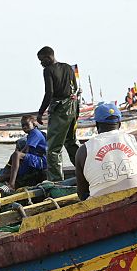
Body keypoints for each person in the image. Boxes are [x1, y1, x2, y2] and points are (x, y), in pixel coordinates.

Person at [76, 102, 137, 200]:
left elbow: (82, 193)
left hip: (99, 206)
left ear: (97, 125)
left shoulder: (83, 150)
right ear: (119, 123)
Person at [35, 46, 79, 182]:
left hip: (60, 110)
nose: (41, 63)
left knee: (54, 148)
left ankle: (56, 181)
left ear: (49, 57)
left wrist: (40, 112)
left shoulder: (48, 70)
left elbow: (49, 93)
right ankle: (85, 169)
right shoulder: (68, 67)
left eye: (42, 60)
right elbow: (75, 88)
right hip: (73, 108)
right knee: (71, 141)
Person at [2, 115, 48, 190]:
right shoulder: (30, 134)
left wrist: (15, 156)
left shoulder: (35, 133)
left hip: (41, 161)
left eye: (27, 124)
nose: (24, 127)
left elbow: (26, 150)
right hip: (34, 159)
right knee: (11, 173)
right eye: (23, 125)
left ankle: (11, 184)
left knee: (17, 154)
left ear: (33, 124)